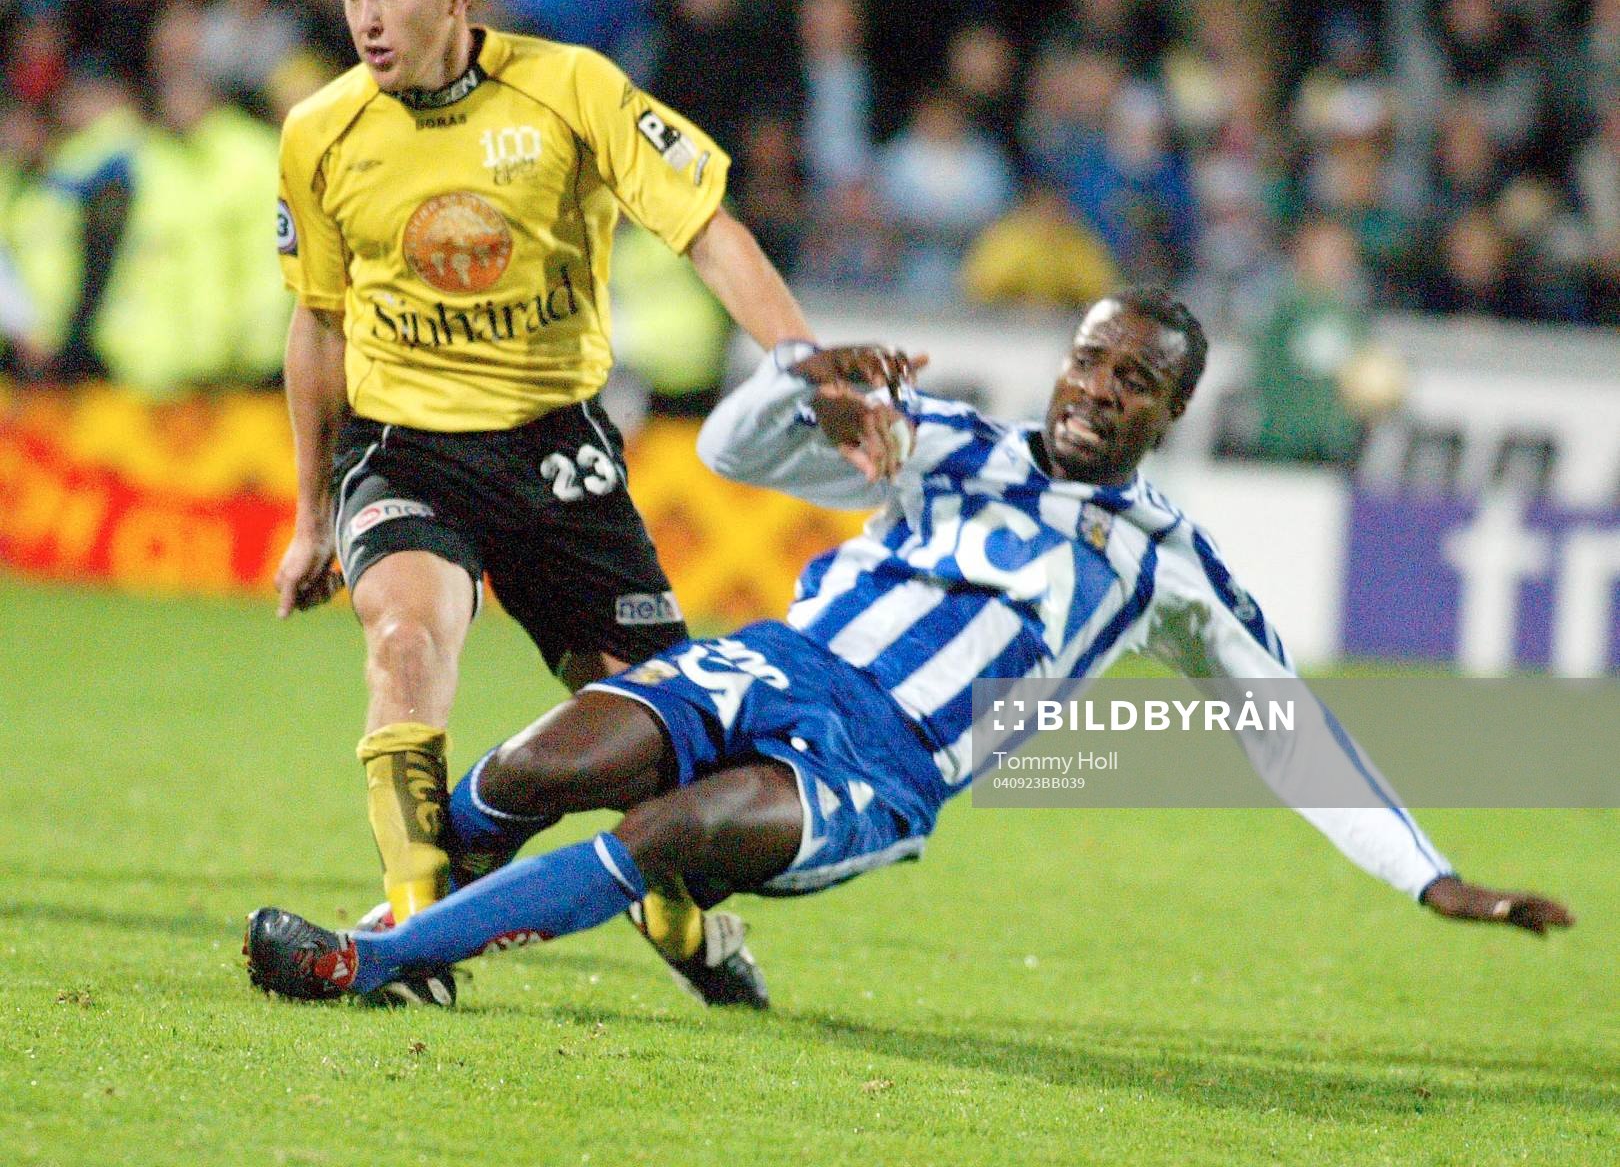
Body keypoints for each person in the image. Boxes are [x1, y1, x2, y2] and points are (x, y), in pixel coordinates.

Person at [245, 287, 1574, 1006]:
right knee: (537, 769)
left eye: (1134, 383)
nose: (1097, 391)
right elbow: (731, 449)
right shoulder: (944, 443)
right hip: (776, 664)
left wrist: (1429, 877)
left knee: (673, 838)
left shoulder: (1171, 568)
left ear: (1169, 414)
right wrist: (808, 380)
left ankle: (372, 962)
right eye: (1090, 361)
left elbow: (1289, 739)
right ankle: (416, 932)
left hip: (886, 768)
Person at [271, 0, 814, 1005]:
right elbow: (317, 320)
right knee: (407, 635)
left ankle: (678, 908)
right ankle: (418, 933)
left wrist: (808, 362)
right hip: (405, 449)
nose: (364, 19)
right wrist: (307, 511)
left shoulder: (571, 88)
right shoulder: (319, 132)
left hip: (559, 456)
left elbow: (706, 230)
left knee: (657, 733)